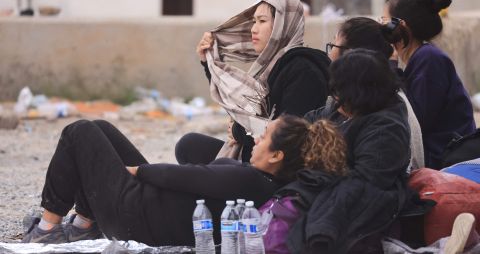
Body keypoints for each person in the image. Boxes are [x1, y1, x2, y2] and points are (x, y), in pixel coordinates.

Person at [21, 114, 345, 246]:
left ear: (277, 156)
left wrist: (140, 171)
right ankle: (83, 225)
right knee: (101, 129)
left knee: (80, 132)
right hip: (143, 206)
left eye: (264, 138)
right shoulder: (257, 179)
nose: (256, 141)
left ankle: (47, 230)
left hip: (134, 214)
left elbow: (195, 177)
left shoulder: (253, 183)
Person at [175, 0, 330, 164]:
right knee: (189, 145)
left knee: (211, 168)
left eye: (262, 21)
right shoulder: (269, 65)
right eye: (254, 21)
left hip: (275, 170)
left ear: (281, 25)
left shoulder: (304, 71)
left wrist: (238, 131)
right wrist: (207, 62)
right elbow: (237, 103)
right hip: (252, 154)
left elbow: (287, 135)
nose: (253, 29)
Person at [291, 49, 412, 253]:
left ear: (359, 91)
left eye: (339, 91)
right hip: (312, 186)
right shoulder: (347, 109)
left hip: (334, 204)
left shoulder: (386, 130)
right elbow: (308, 121)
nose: (335, 98)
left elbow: (363, 185)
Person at [381, 0, 476, 169]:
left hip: (444, 159)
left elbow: (415, 120)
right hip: (437, 155)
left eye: (384, 21)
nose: (382, 28)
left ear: (401, 26)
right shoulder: (421, 57)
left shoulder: (429, 59)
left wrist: (391, 68)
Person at [325, 16, 424, 171]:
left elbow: (365, 183)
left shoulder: (383, 112)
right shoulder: (364, 95)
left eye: (333, 46)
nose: (330, 55)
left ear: (351, 55)